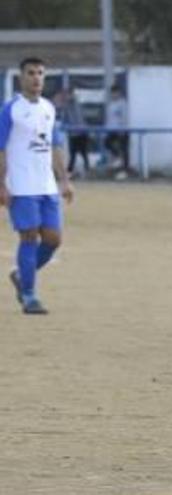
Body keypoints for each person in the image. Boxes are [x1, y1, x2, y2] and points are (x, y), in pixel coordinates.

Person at [0, 57, 74, 314]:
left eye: (40, 73)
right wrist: (1, 184)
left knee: (53, 240)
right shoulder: (10, 110)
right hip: (21, 185)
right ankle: (30, 295)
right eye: (31, 73)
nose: (36, 78)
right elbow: (0, 150)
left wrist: (64, 179)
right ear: (21, 78)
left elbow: (54, 146)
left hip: (46, 185)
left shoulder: (48, 108)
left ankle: (21, 275)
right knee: (29, 236)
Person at [59, 88, 91, 177]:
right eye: (68, 94)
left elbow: (84, 118)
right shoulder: (66, 106)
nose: (70, 96)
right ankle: (69, 172)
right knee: (73, 154)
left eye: (71, 94)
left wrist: (85, 128)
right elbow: (64, 119)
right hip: (73, 134)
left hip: (83, 133)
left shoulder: (79, 104)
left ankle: (87, 171)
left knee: (84, 153)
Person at [104, 84, 131, 179]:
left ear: (119, 93)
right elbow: (109, 118)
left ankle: (125, 171)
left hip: (121, 130)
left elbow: (124, 117)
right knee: (107, 143)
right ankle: (117, 159)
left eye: (116, 93)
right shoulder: (111, 104)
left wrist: (123, 129)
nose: (114, 95)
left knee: (124, 150)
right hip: (112, 130)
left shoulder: (122, 103)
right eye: (113, 93)